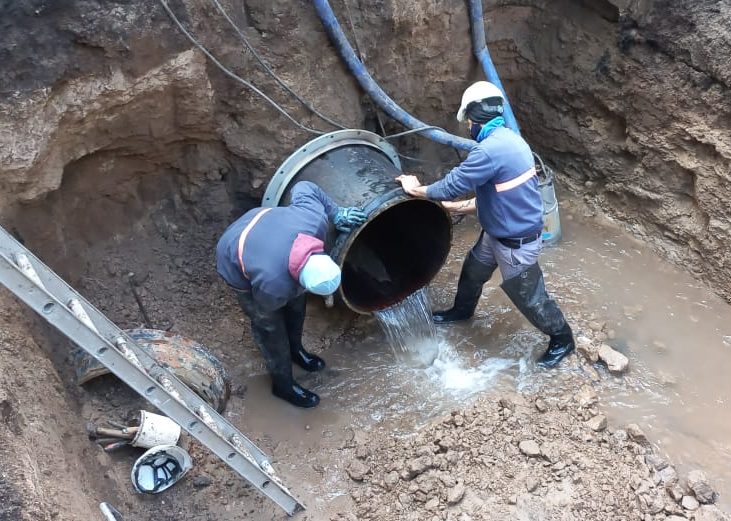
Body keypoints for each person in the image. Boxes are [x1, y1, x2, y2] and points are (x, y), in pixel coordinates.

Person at [395, 81, 575, 368]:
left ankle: (563, 339)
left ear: (474, 119)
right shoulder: (511, 140)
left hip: (517, 243)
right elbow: (503, 196)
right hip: (498, 232)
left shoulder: (488, 151)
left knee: (530, 297)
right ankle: (461, 312)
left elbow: (450, 186)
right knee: (473, 270)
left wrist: (415, 189)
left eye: (468, 121)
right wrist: (460, 208)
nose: (468, 127)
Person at [215, 181, 366, 407]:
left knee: (297, 304)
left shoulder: (314, 220)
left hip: (267, 226)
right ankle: (283, 385)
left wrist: (336, 213)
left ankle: (296, 350)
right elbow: (266, 306)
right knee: (270, 326)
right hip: (234, 251)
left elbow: (305, 186)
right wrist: (284, 299)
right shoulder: (273, 282)